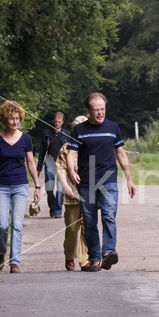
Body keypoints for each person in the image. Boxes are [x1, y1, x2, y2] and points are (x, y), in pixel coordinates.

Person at [66, 92, 136, 272]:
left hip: (109, 179)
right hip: (86, 181)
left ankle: (108, 252)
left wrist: (129, 178)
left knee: (108, 216)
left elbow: (121, 153)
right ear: (88, 111)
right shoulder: (79, 130)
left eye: (102, 109)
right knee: (89, 222)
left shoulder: (113, 127)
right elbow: (71, 153)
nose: (100, 113)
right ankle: (95, 258)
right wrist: (71, 170)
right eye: (96, 110)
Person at [0, 101, 41, 273]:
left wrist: (37, 186)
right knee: (1, 224)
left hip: (20, 186)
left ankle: (15, 262)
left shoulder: (26, 139)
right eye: (11, 119)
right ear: (4, 119)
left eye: (17, 119)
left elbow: (31, 162)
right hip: (1, 186)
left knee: (17, 223)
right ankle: (1, 252)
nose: (14, 122)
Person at [56, 115, 90, 271]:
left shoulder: (91, 147)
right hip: (72, 193)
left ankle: (85, 259)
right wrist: (65, 186)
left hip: (89, 191)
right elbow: (60, 169)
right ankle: (70, 256)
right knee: (72, 228)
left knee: (87, 227)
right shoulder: (66, 148)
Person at [37, 112, 70, 218]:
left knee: (60, 189)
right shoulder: (47, 134)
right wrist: (39, 167)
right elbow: (42, 151)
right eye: (55, 121)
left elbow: (70, 152)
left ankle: (58, 211)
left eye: (59, 122)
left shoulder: (67, 134)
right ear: (53, 121)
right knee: (49, 188)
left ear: (62, 122)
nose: (57, 124)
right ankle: (53, 207)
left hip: (62, 164)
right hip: (49, 162)